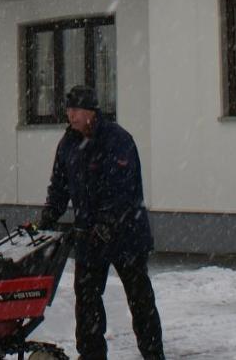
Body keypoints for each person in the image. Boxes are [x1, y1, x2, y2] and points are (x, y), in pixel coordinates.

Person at [38, 85, 164, 360]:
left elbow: (121, 188)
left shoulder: (116, 140)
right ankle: (92, 355)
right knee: (86, 298)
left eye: (76, 110)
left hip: (126, 233)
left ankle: (154, 354)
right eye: (68, 109)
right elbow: (59, 185)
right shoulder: (68, 143)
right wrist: (49, 215)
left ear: (91, 112)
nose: (70, 115)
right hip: (90, 235)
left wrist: (107, 223)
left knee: (139, 298)